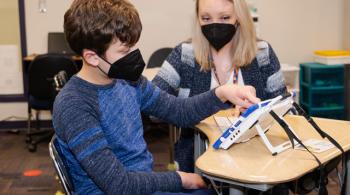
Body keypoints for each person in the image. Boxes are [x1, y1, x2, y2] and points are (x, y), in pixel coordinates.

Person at [52, 0, 261, 194]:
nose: (133, 55)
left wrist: (223, 93)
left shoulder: (129, 82)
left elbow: (179, 112)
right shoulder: (74, 104)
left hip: (141, 183)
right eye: (125, 50)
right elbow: (118, 184)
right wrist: (180, 179)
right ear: (92, 57)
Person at [152, 0, 287, 174]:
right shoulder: (185, 54)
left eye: (224, 17)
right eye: (206, 18)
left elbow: (286, 111)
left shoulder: (262, 52)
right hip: (197, 160)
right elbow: (153, 104)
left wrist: (258, 112)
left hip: (258, 161)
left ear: (239, 17)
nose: (215, 26)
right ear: (197, 18)